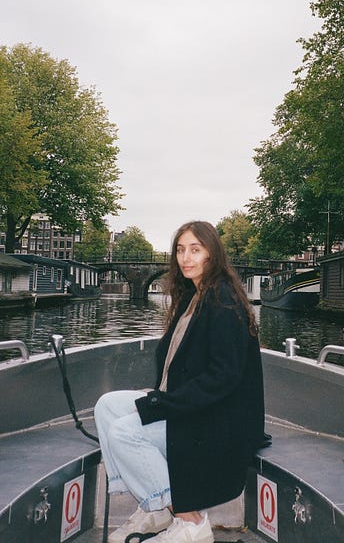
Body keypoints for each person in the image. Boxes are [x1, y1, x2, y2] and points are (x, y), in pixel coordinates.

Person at [94, 221, 265, 543]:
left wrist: (161, 403)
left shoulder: (223, 302)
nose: (186, 257)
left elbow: (223, 377)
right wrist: (159, 395)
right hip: (190, 404)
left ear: (212, 255)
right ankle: (153, 507)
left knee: (125, 431)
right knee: (107, 407)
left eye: (195, 250)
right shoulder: (194, 296)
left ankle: (189, 520)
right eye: (180, 249)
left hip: (219, 419)